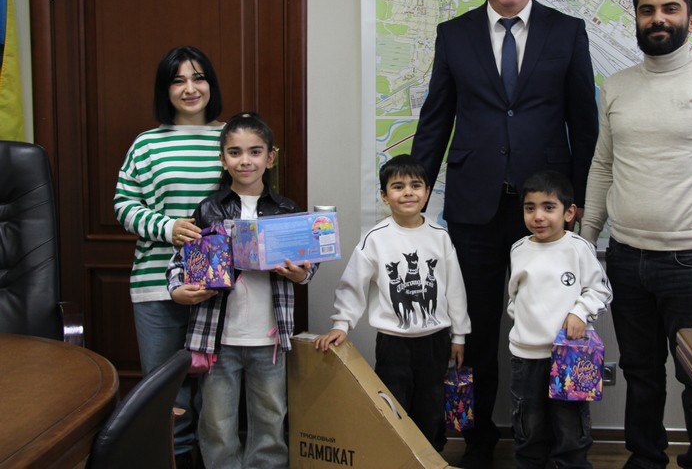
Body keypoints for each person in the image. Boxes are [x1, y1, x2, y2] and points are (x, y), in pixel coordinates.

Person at [411, 0, 598, 467]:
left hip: (547, 215)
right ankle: (477, 440)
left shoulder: (567, 32)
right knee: (471, 326)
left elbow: (583, 124)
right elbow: (436, 120)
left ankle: (548, 442)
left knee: (551, 329)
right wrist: (415, 201)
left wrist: (579, 199)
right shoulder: (455, 34)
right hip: (476, 208)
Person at [580, 0, 692, 469]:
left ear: (691, 20)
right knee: (641, 371)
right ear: (636, 19)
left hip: (691, 261)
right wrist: (584, 243)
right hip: (625, 258)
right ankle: (645, 458)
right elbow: (602, 167)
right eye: (647, 10)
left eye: (670, 10)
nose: (658, 19)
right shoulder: (616, 87)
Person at [167, 112, 316, 469]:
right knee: (216, 422)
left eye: (254, 151)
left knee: (270, 416)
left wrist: (300, 275)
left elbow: (309, 267)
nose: (245, 160)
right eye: (235, 152)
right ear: (223, 159)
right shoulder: (208, 209)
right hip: (219, 338)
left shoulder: (285, 210)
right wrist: (177, 291)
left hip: (270, 339)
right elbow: (180, 262)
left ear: (270, 157)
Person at [113, 45, 225, 468]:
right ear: (166, 90)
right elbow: (123, 206)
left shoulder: (232, 138)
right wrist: (167, 228)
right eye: (178, 80)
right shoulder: (146, 144)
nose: (190, 88)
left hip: (220, 288)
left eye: (198, 78)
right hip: (155, 286)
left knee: (219, 393)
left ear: (211, 85)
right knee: (166, 396)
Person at [314, 154, 470, 450]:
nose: (408, 192)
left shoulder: (440, 237)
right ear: (385, 196)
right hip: (393, 342)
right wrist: (342, 324)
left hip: (436, 341)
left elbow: (455, 290)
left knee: (431, 405)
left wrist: (459, 334)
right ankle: (396, 456)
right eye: (398, 186)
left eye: (415, 185)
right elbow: (353, 284)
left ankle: (431, 457)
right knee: (393, 405)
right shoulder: (375, 238)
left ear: (426, 192)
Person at [507, 170, 612, 469]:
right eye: (530, 208)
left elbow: (600, 290)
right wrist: (526, 325)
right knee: (528, 429)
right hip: (526, 359)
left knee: (571, 432)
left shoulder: (578, 248)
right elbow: (514, 299)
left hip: (568, 358)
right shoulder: (518, 249)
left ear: (569, 212)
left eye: (548, 207)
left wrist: (578, 312)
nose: (538, 216)